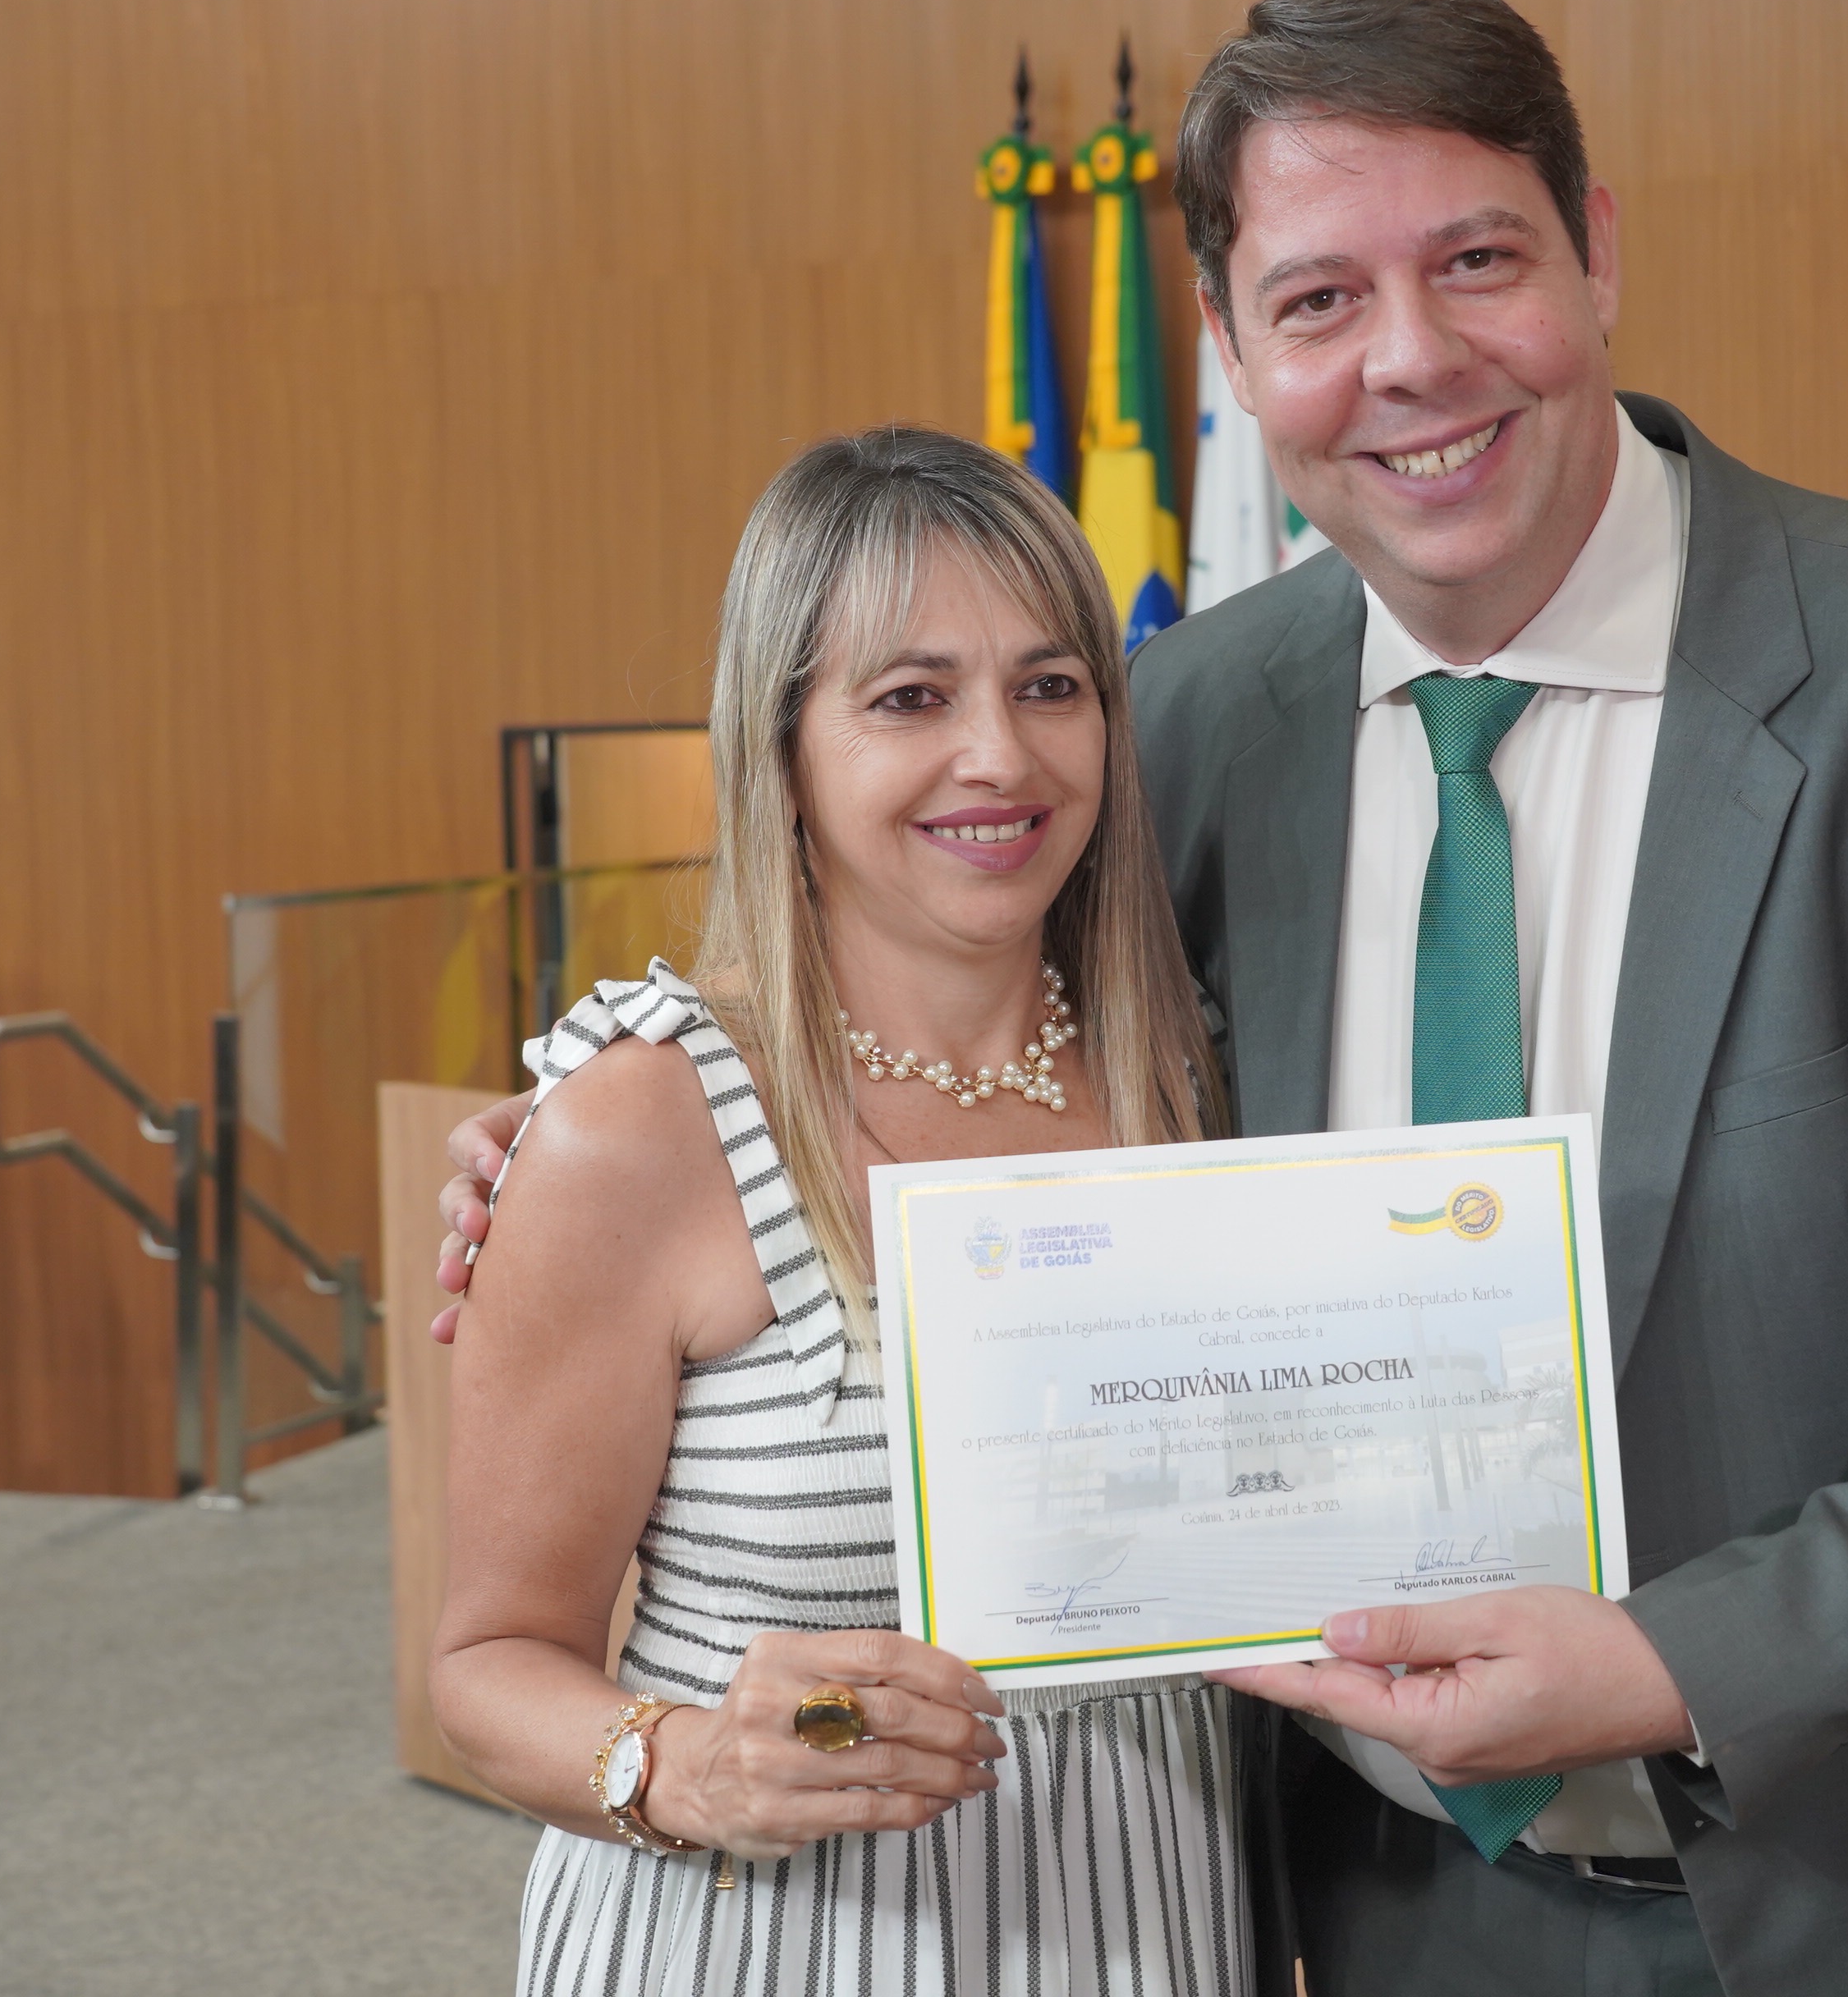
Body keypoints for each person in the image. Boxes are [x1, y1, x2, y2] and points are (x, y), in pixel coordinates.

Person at [443, 0, 1848, 1997]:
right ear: (1228, 346)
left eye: (1476, 259)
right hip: (1393, 1911)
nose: (1410, 358)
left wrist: (1677, 1658)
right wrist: (592, 1142)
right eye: (1317, 299)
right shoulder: (1184, 731)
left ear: (1595, 250)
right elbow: (931, 1026)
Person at [431, 427, 1246, 1996]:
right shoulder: (641, 1122)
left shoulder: (1196, 1075)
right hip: (770, 1941)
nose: (1000, 755)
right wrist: (686, 1761)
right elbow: (487, 1664)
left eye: (1050, 684)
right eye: (911, 696)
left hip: (1154, 1917)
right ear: (783, 744)